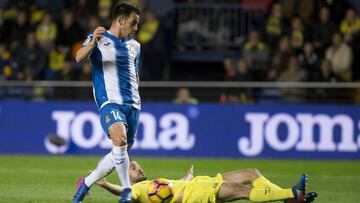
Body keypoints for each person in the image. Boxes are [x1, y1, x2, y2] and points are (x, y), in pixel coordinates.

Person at [72, 2, 141, 203]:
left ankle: (86, 183)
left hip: (133, 105)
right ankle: (127, 191)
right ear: (121, 20)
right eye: (133, 23)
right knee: (119, 140)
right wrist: (93, 41)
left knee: (119, 151)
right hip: (109, 102)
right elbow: (78, 57)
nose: (135, 28)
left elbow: (135, 76)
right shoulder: (99, 39)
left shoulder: (135, 46)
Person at [88, 160, 317, 203]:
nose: (139, 167)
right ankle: (291, 193)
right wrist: (107, 185)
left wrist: (186, 177)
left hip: (198, 183)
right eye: (134, 167)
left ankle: (290, 200)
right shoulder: (135, 190)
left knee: (251, 172)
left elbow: (174, 185)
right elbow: (123, 192)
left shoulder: (153, 184)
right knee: (242, 191)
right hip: (195, 196)